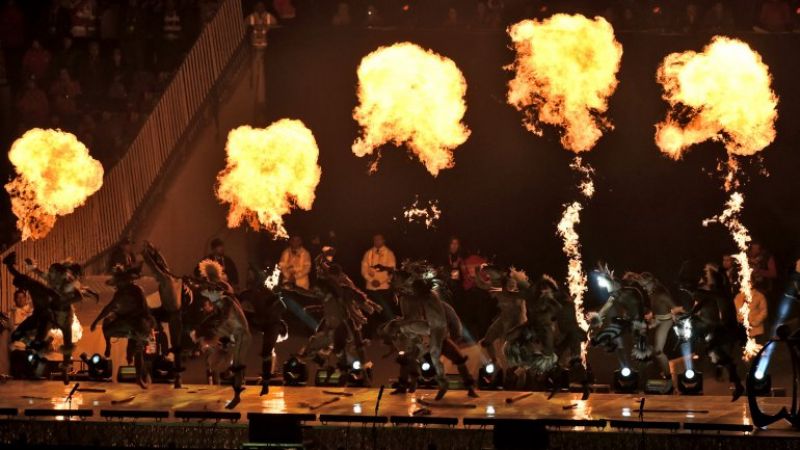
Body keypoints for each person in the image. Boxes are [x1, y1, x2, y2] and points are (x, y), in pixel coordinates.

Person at [361, 233, 396, 327]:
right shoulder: (368, 254)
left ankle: (391, 329)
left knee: (386, 309)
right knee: (377, 311)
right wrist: (372, 280)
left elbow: (392, 271)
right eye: (375, 240)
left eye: (379, 239)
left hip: (385, 288)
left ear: (383, 241)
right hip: (372, 289)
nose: (376, 241)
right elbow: (364, 271)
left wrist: (381, 282)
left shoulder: (389, 254)